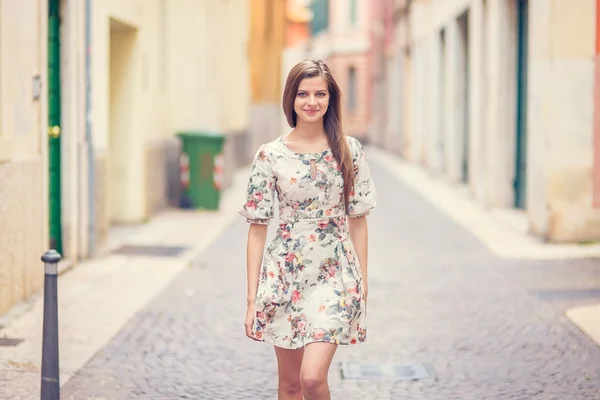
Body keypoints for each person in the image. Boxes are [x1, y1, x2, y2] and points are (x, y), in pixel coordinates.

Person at [239, 59, 377, 400]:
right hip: (285, 275)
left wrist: (362, 282)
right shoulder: (270, 154)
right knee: (289, 385)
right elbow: (257, 228)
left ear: (331, 99)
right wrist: (252, 298)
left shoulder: (349, 150)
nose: (311, 101)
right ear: (291, 98)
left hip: (336, 274)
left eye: (320, 93)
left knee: (312, 379)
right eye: (303, 93)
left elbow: (358, 222)